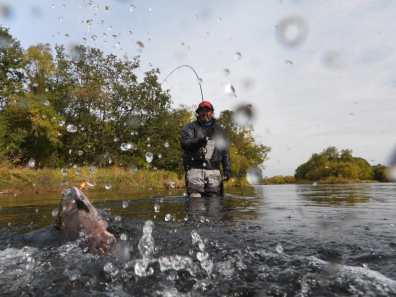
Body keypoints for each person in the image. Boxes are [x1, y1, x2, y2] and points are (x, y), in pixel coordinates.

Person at [180, 101, 231, 197]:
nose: (205, 113)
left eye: (207, 110)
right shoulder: (190, 127)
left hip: (214, 170)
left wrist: (227, 168)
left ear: (212, 112)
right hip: (195, 169)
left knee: (214, 200)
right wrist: (198, 141)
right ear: (198, 113)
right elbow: (184, 143)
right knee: (195, 199)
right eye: (202, 110)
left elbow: (225, 150)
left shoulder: (220, 129)